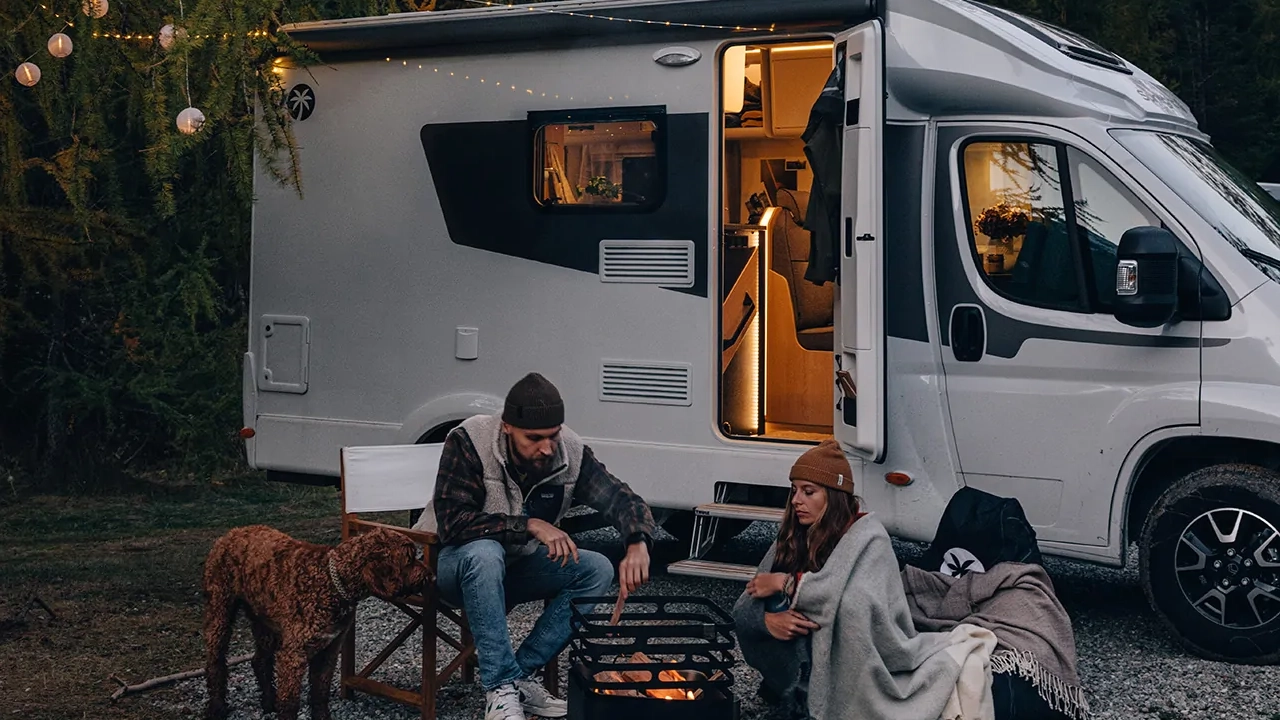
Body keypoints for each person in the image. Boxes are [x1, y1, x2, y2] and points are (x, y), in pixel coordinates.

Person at [414, 372, 657, 720]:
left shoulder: (568, 451)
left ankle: (519, 678)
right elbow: (454, 523)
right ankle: (498, 689)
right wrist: (528, 524)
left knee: (596, 567)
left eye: (553, 436)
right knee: (484, 553)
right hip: (449, 567)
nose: (546, 448)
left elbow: (619, 498)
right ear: (507, 428)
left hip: (513, 568)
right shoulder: (469, 440)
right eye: (534, 438)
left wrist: (637, 542)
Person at [733, 439, 999, 720]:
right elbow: (743, 606)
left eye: (809, 492)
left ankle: (826, 699)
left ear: (833, 496)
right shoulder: (792, 535)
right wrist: (767, 621)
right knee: (769, 604)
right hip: (804, 656)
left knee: (847, 609)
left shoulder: (869, 538)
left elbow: (858, 605)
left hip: (870, 656)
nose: (797, 500)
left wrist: (787, 584)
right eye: (794, 491)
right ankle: (796, 691)